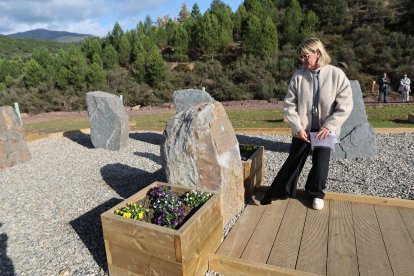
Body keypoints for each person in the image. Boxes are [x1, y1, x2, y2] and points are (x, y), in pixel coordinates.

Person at [260, 38, 353, 210]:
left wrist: (329, 126)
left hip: (326, 129)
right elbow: (289, 104)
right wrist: (297, 127)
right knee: (294, 160)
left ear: (318, 54)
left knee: (321, 163)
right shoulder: (298, 76)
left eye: (305, 56)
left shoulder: (336, 74)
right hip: (303, 129)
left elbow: (345, 106)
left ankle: (316, 194)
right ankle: (283, 191)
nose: (302, 60)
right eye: (300, 57)